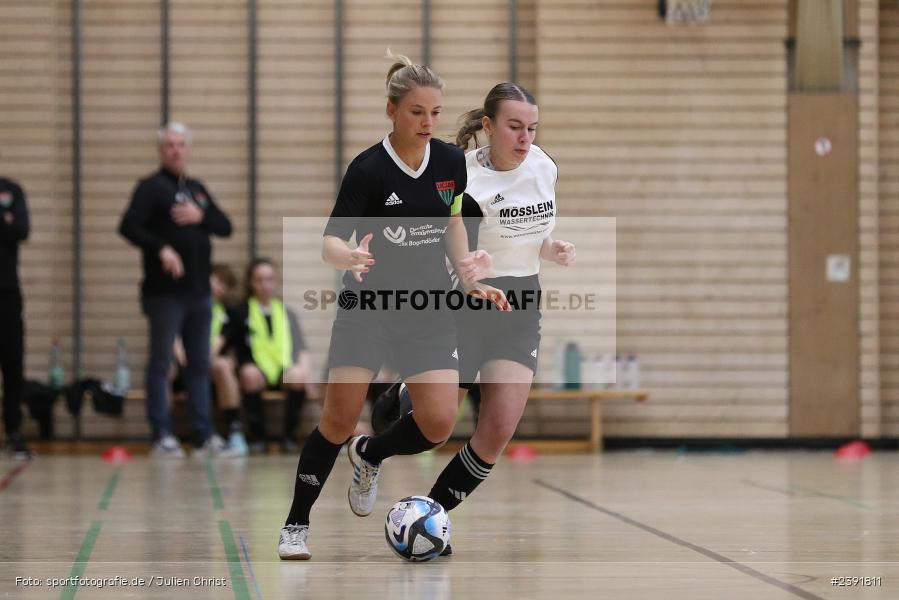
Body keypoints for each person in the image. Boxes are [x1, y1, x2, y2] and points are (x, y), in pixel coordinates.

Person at [278, 52, 504, 560]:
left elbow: (450, 224)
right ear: (392, 110)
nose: (427, 122)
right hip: (369, 307)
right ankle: (296, 523)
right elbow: (329, 242)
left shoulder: (448, 162)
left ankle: (371, 452)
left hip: (428, 308)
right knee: (337, 420)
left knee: (439, 423)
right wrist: (349, 254)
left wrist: (468, 273)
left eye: (435, 113)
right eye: (416, 112)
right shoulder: (368, 170)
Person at [372, 83, 576, 556]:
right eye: (514, 127)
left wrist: (552, 248)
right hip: (464, 304)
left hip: (521, 305)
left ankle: (429, 517)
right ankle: (373, 447)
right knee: (436, 425)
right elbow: (436, 244)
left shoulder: (544, 167)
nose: (525, 138)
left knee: (498, 429)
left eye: (531, 128)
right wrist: (468, 270)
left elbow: (527, 235)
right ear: (487, 126)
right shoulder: (460, 177)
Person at [119, 122, 233, 458]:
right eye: (170, 144)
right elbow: (128, 226)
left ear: (188, 148)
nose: (176, 150)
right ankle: (162, 435)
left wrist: (202, 215)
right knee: (162, 363)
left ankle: (202, 435)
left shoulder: (197, 189)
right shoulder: (150, 188)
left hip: (199, 292)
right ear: (161, 149)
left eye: (181, 144)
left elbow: (225, 226)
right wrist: (161, 248)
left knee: (198, 363)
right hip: (164, 294)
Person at [230, 258, 312, 454]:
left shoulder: (286, 313)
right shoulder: (240, 312)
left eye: (269, 279)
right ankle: (257, 437)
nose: (264, 284)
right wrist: (239, 369)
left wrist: (304, 371)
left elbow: (301, 348)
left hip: (282, 368)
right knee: (249, 375)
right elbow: (230, 348)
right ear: (251, 282)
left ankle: (289, 436)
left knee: (298, 376)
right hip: (254, 369)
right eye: (259, 279)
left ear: (275, 282)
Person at [170, 263, 247, 456]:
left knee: (222, 365)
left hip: (205, 366)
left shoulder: (226, 314)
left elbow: (217, 346)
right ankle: (165, 435)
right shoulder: (183, 305)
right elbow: (174, 339)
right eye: (218, 281)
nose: (220, 288)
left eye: (226, 286)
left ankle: (234, 431)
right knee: (165, 368)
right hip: (182, 364)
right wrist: (185, 361)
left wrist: (197, 363)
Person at [0, 176, 31, 459]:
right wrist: (4, 221)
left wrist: (9, 223)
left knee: (12, 362)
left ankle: (13, 432)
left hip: (7, 290)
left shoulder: (11, 189)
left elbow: (22, 229)